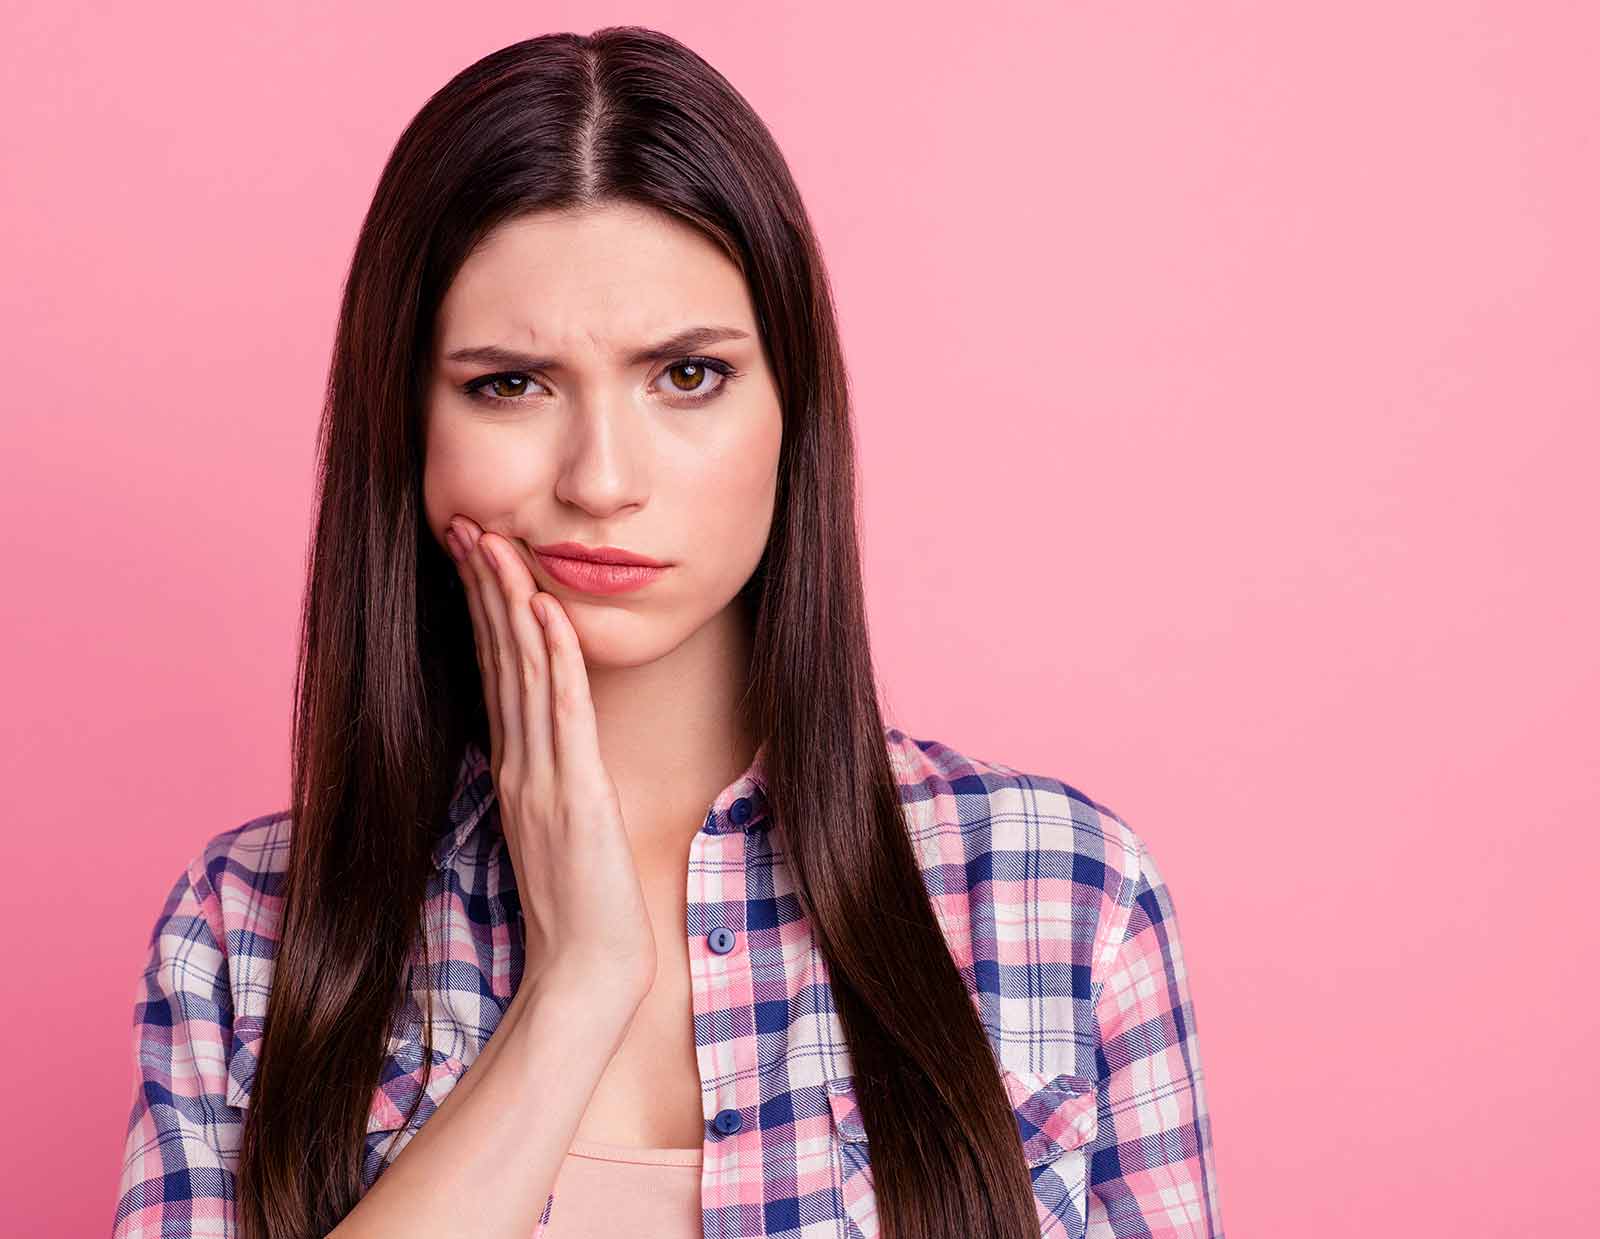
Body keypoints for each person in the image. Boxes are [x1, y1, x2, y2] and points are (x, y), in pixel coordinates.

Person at [112, 25, 1223, 1239]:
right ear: (410, 435)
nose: (600, 479)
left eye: (685, 375)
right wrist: (575, 988)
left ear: (792, 411)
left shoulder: (1055, 891)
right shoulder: (247, 932)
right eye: (510, 383)